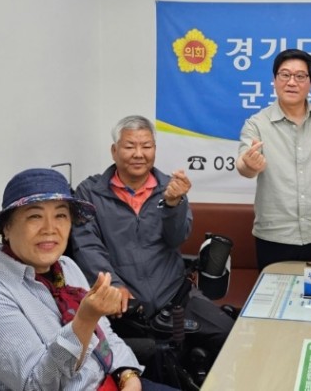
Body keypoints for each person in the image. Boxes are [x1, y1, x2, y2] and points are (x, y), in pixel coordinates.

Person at [0, 168, 175, 390]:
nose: (50, 229)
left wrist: (128, 375)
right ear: (6, 227)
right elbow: (39, 385)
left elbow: (105, 334)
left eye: (61, 215)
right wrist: (85, 320)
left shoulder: (66, 267)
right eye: (35, 216)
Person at [70, 115, 233, 367]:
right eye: (130, 146)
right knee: (140, 362)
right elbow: (87, 246)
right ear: (114, 151)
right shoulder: (89, 193)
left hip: (176, 297)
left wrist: (173, 204)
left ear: (154, 150)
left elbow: (177, 237)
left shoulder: (170, 187)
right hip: (125, 308)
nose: (139, 154)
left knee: (227, 334)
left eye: (146, 146)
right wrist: (112, 285)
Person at [236, 48, 311, 269]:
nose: (292, 82)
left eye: (300, 76)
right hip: (274, 236)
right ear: (274, 80)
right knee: (273, 302)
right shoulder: (256, 124)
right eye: (285, 75)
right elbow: (244, 165)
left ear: (310, 82)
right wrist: (249, 165)